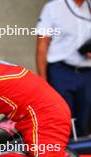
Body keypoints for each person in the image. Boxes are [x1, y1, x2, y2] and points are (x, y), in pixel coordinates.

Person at [36, 0, 91, 137]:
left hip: (87, 74)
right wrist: (43, 80)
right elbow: (42, 46)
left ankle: (79, 156)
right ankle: (61, 155)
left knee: (84, 122)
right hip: (61, 72)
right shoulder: (53, 8)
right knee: (62, 119)